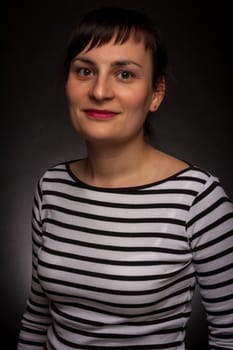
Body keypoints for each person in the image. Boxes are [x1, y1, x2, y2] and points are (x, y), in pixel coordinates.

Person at [17, 6, 233, 350]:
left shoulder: (198, 199)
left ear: (156, 93)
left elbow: (229, 334)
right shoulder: (50, 187)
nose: (100, 91)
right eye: (85, 70)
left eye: (125, 74)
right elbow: (37, 313)